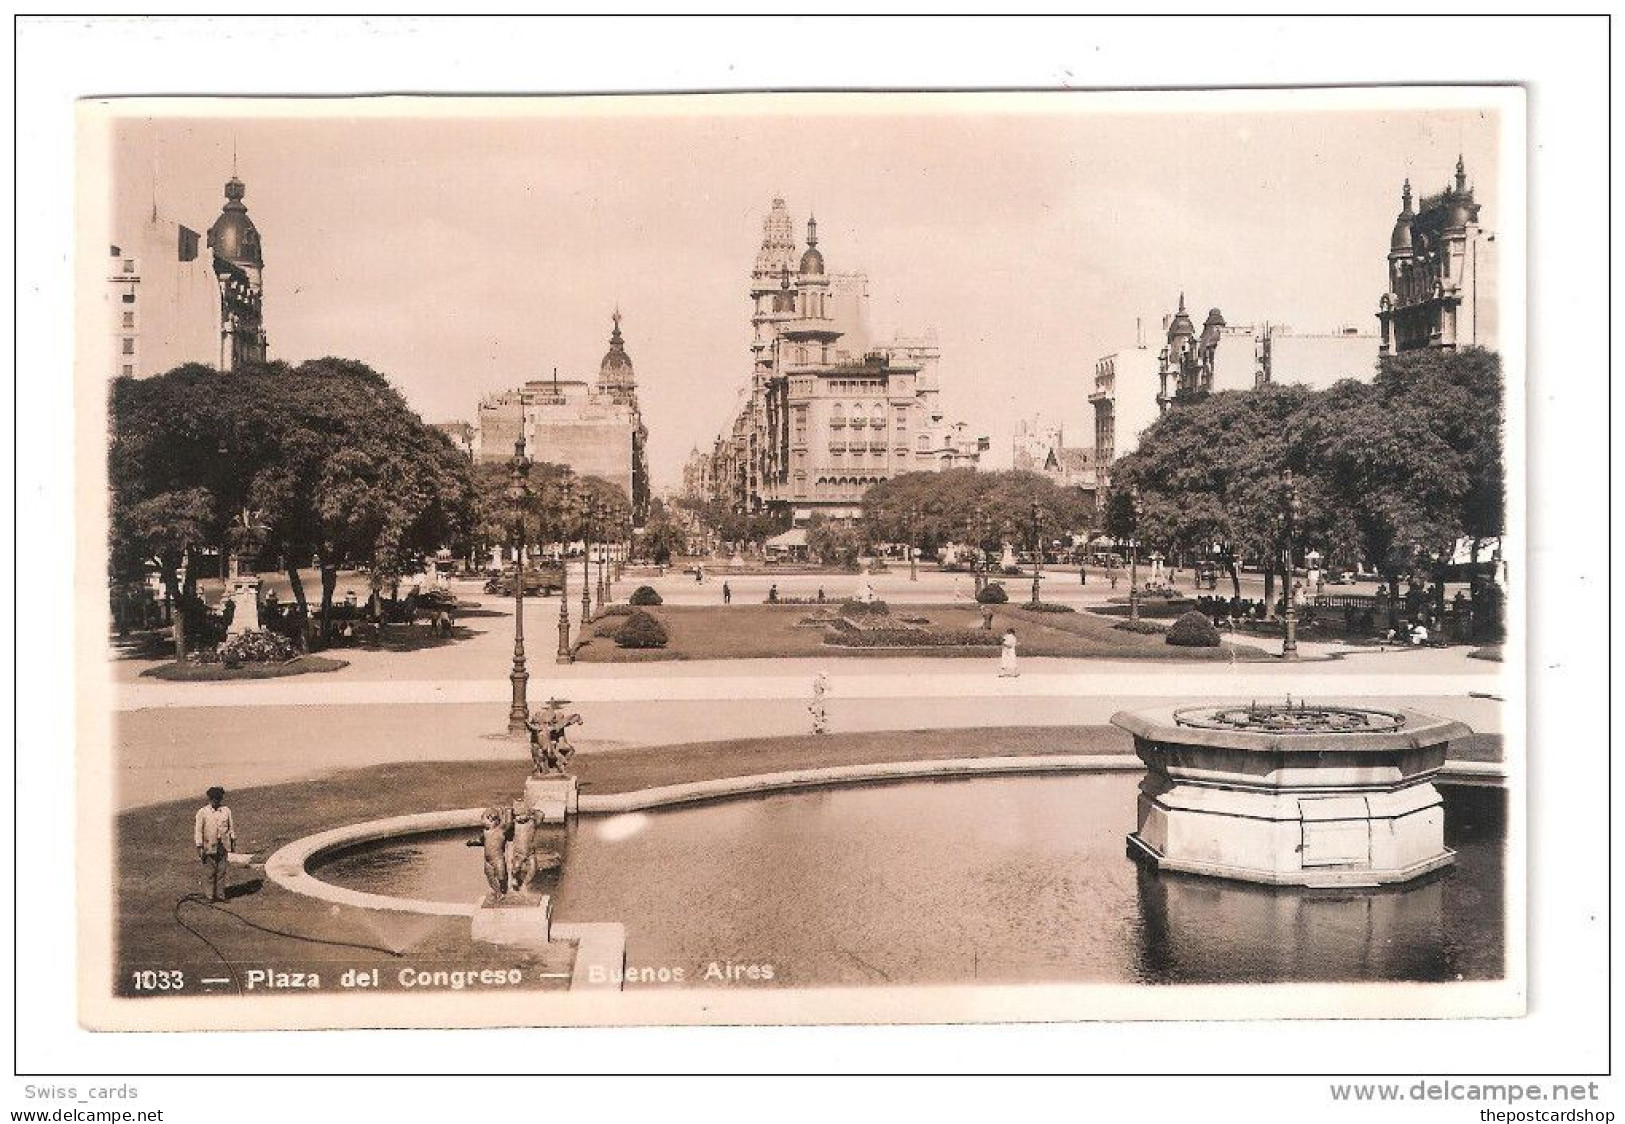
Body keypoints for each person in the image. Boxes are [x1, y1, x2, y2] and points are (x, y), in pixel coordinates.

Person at [193, 786, 237, 903]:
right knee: (209, 872)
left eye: (218, 799)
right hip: (209, 845)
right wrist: (199, 846)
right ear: (210, 799)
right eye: (214, 799)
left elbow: (230, 828)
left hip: (223, 845)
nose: (216, 801)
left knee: (221, 871)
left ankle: (220, 895)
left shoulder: (226, 811)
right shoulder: (202, 812)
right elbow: (198, 831)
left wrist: (232, 841)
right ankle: (209, 896)